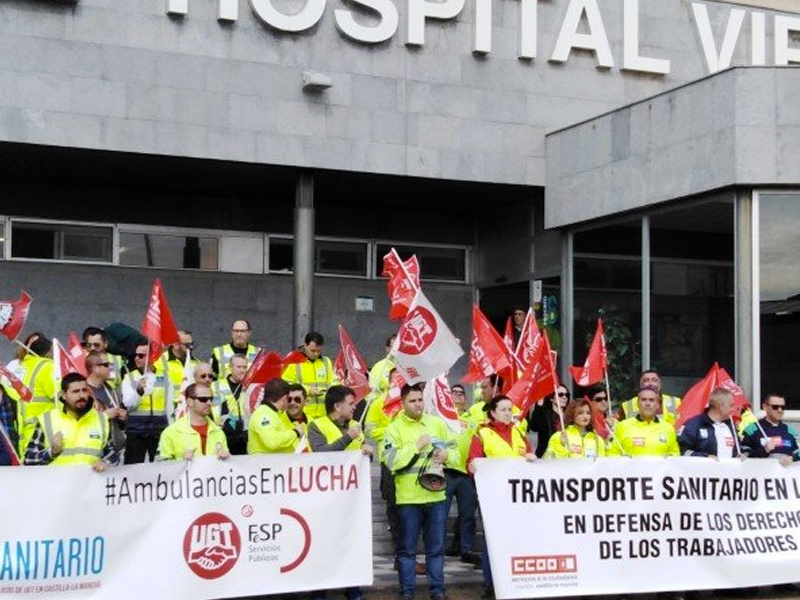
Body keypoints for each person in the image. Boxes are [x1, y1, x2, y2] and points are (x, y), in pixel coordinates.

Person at [383, 384, 460, 600]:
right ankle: (407, 592)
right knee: (407, 550)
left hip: (436, 495)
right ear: (402, 403)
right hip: (408, 499)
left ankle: (438, 591)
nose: (418, 404)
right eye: (412, 401)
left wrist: (447, 457)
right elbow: (391, 462)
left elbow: (455, 452)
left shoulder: (437, 424)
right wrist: (415, 446)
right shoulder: (393, 429)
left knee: (436, 548)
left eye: (420, 400)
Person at [467, 395, 536, 598]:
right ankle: (491, 584)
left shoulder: (518, 433)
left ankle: (515, 581)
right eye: (504, 409)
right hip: (493, 497)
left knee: (516, 540)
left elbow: (529, 455)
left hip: (518, 496)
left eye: (510, 409)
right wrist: (472, 466)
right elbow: (472, 463)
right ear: (493, 412)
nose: (508, 413)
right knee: (493, 541)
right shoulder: (482, 434)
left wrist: (532, 459)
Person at [24, 373, 116, 470]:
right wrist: (51, 452)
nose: (81, 395)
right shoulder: (47, 419)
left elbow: (113, 453)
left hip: (89, 483)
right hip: (56, 483)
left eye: (84, 390)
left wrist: (106, 462)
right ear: (63, 395)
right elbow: (28, 460)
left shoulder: (102, 419)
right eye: (75, 391)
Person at [444, 383, 480, 566]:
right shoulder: (442, 417)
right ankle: (437, 549)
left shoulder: (473, 419)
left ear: (465, 398)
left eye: (461, 393)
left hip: (467, 473)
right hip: (446, 471)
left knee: (467, 514)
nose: (458, 395)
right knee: (440, 514)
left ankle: (466, 549)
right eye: (454, 392)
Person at [121, 343, 170, 463]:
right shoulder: (129, 377)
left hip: (160, 429)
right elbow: (128, 404)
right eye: (135, 355)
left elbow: (169, 405)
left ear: (152, 357)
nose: (137, 358)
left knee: (161, 467)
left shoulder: (164, 376)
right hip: (137, 429)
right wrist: (138, 391)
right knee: (132, 468)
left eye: (141, 355)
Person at [157, 383, 230, 461]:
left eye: (211, 399)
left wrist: (226, 459)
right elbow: (162, 469)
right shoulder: (170, 433)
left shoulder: (218, 432)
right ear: (190, 401)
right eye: (203, 399)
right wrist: (182, 461)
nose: (209, 403)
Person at [608, 385, 680, 457]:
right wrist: (622, 459)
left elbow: (675, 455)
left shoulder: (668, 428)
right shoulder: (622, 426)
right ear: (637, 403)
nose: (647, 403)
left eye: (651, 400)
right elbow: (611, 454)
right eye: (643, 400)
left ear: (658, 404)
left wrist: (669, 457)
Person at [283, 331, 340, 420]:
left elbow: (334, 380)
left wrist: (332, 389)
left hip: (323, 414)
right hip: (302, 414)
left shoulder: (326, 361)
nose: (316, 354)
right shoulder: (294, 361)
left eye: (319, 351)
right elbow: (286, 384)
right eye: (313, 350)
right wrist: (308, 390)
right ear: (305, 345)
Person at [16, 337, 56, 455]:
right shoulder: (48, 367)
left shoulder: (21, 367)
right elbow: (62, 398)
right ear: (48, 354)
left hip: (24, 431)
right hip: (43, 432)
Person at [678, 388, 740, 458]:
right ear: (720, 406)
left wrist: (738, 455)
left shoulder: (731, 426)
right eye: (731, 405)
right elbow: (682, 451)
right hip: (701, 469)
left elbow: (737, 449)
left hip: (729, 469)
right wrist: (705, 458)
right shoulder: (693, 425)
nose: (733, 409)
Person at [85, 350, 127, 452]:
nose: (110, 368)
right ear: (95, 368)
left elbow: (119, 424)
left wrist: (123, 418)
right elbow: (78, 422)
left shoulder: (111, 390)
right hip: (93, 449)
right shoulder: (82, 392)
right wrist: (104, 416)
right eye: (107, 365)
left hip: (114, 450)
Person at [248, 378, 304, 454]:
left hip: (274, 463)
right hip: (266, 464)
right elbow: (272, 442)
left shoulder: (272, 413)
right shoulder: (264, 414)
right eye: (289, 399)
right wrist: (296, 432)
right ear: (284, 398)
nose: (290, 403)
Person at [741, 393, 799, 465]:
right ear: (765, 407)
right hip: (760, 474)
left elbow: (798, 453)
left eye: (783, 407)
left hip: (785, 475)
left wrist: (792, 458)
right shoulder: (752, 429)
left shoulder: (790, 431)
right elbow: (743, 454)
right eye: (775, 407)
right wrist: (764, 450)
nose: (780, 410)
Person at [215, 354, 249, 455]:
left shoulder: (250, 387)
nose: (242, 370)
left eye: (245, 367)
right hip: (225, 435)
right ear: (230, 368)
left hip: (245, 437)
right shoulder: (216, 385)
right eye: (239, 367)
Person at [528, 384, 569, 457]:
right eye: (560, 395)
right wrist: (539, 406)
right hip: (546, 458)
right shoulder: (545, 414)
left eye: (566, 395)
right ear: (551, 398)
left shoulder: (570, 416)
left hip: (564, 457)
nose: (564, 397)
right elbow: (534, 427)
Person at [368, 335, 396, 401]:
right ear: (388, 348)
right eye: (394, 346)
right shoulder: (379, 367)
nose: (397, 349)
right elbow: (373, 391)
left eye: (399, 347)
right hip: (384, 406)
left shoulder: (408, 366)